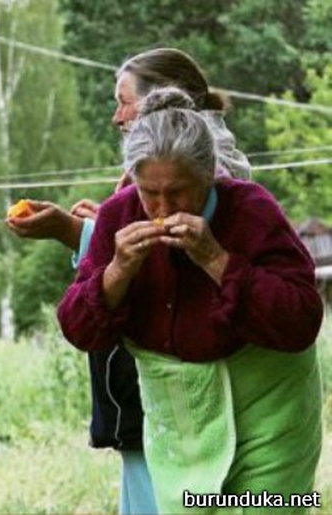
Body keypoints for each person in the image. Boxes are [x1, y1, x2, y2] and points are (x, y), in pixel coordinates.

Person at [6, 48, 252, 515]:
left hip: (183, 395)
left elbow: (174, 262)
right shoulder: (166, 164)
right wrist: (94, 232)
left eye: (125, 102)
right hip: (151, 396)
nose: (117, 116)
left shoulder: (213, 171)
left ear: (163, 104)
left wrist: (72, 231)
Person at [57, 87, 323, 514]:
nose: (162, 207)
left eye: (178, 192)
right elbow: (77, 328)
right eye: (149, 192)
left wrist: (216, 259)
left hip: (270, 410)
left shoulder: (251, 210)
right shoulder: (117, 216)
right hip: (180, 422)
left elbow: (301, 320)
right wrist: (118, 271)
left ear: (209, 175)